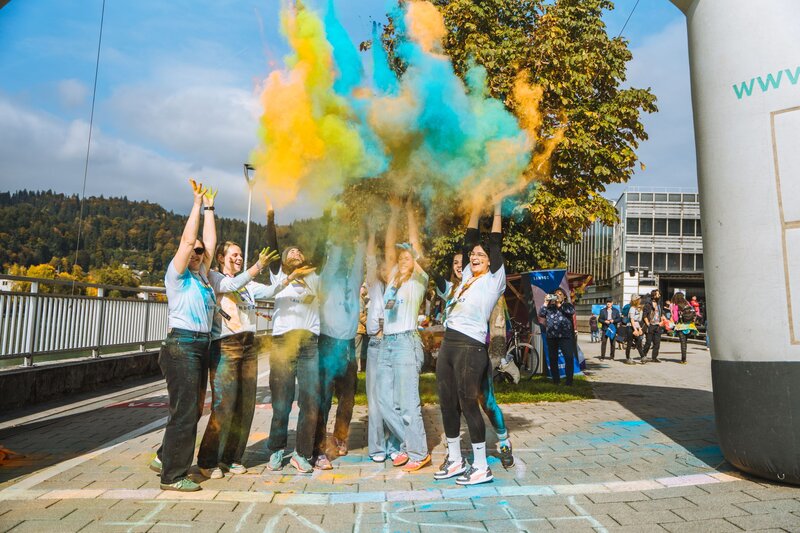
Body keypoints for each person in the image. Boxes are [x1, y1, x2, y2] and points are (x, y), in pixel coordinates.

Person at [153, 180, 260, 492]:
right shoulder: (177, 275)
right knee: (185, 411)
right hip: (182, 345)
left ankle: (164, 456)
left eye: (201, 253)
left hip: (200, 346)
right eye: (194, 252)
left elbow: (208, 244)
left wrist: (212, 208)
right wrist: (197, 204)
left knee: (192, 409)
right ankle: (172, 476)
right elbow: (189, 241)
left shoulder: (202, 277)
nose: (199, 254)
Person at [434, 197, 510, 485]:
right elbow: (469, 238)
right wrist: (476, 202)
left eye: (481, 254)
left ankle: (481, 466)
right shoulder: (466, 275)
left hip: (471, 346)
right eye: (473, 255)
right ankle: (455, 460)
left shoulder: (494, 279)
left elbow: (494, 240)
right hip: (449, 344)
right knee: (447, 403)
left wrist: (498, 207)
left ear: (490, 260)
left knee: (469, 404)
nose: (475, 256)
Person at [195, 241, 285, 480]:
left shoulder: (248, 284)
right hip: (225, 344)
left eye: (241, 255)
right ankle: (207, 460)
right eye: (234, 255)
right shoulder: (215, 277)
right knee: (223, 405)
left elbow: (270, 292)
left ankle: (232, 458)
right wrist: (257, 266)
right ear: (222, 258)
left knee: (245, 406)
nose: (238, 258)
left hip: (248, 345)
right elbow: (232, 283)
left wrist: (289, 276)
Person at [264, 204, 323, 474]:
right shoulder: (279, 275)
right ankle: (277, 449)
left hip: (309, 343)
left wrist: (329, 213)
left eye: (299, 252)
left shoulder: (314, 276)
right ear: (284, 261)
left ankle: (302, 454)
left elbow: (323, 248)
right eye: (291, 252)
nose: (296, 253)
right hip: (283, 342)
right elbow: (272, 246)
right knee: (281, 400)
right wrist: (270, 217)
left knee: (310, 400)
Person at [377, 198, 431, 472]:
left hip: (407, 342)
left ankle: (418, 452)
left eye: (407, 257)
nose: (402, 259)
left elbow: (414, 247)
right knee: (384, 401)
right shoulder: (393, 281)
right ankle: (406, 444)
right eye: (400, 258)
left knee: (408, 403)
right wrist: (393, 212)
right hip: (387, 342)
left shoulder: (418, 281)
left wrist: (409, 211)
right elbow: (390, 249)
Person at [312, 236, 366, 468]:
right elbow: (333, 259)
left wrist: (362, 238)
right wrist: (338, 234)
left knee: (348, 398)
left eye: (347, 261)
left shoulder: (352, 282)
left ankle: (340, 437)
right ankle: (319, 441)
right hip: (327, 343)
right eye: (340, 260)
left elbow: (359, 264)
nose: (344, 264)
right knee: (323, 398)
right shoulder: (326, 279)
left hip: (346, 346)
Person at [364, 226, 401, 463]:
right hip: (376, 346)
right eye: (382, 265)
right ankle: (377, 448)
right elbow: (369, 259)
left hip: (395, 346)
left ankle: (395, 444)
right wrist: (371, 228)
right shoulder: (374, 286)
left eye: (391, 265)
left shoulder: (401, 288)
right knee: (375, 401)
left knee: (394, 399)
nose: (385, 269)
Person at [539, 289, 577, 385]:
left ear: (564, 296)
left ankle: (569, 381)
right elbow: (541, 313)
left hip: (565, 336)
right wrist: (545, 302)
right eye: (556, 294)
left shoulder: (568, 306)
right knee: (553, 358)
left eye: (560, 294)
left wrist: (560, 304)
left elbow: (570, 312)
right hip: (552, 336)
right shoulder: (549, 307)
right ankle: (556, 380)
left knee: (568, 357)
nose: (558, 296)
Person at [672, 292, 697, 364]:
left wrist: (676, 321)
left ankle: (683, 359)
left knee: (683, 343)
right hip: (690, 326)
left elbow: (675, 318)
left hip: (681, 326)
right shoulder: (687, 303)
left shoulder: (676, 305)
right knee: (685, 342)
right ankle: (684, 359)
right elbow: (693, 312)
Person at [642, 289, 663, 362]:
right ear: (654, 295)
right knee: (648, 342)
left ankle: (654, 357)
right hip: (651, 325)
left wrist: (661, 321)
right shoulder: (648, 305)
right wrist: (648, 325)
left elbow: (661, 314)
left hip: (658, 326)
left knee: (657, 343)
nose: (659, 295)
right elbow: (644, 316)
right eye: (658, 294)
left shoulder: (659, 304)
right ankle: (643, 356)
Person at [625, 295, 646, 364]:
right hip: (630, 327)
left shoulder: (637, 309)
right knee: (629, 343)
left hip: (635, 326)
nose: (640, 300)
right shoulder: (632, 308)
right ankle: (628, 358)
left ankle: (643, 357)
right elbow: (632, 320)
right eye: (638, 299)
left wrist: (639, 328)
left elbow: (637, 321)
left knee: (639, 342)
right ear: (635, 301)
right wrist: (635, 330)